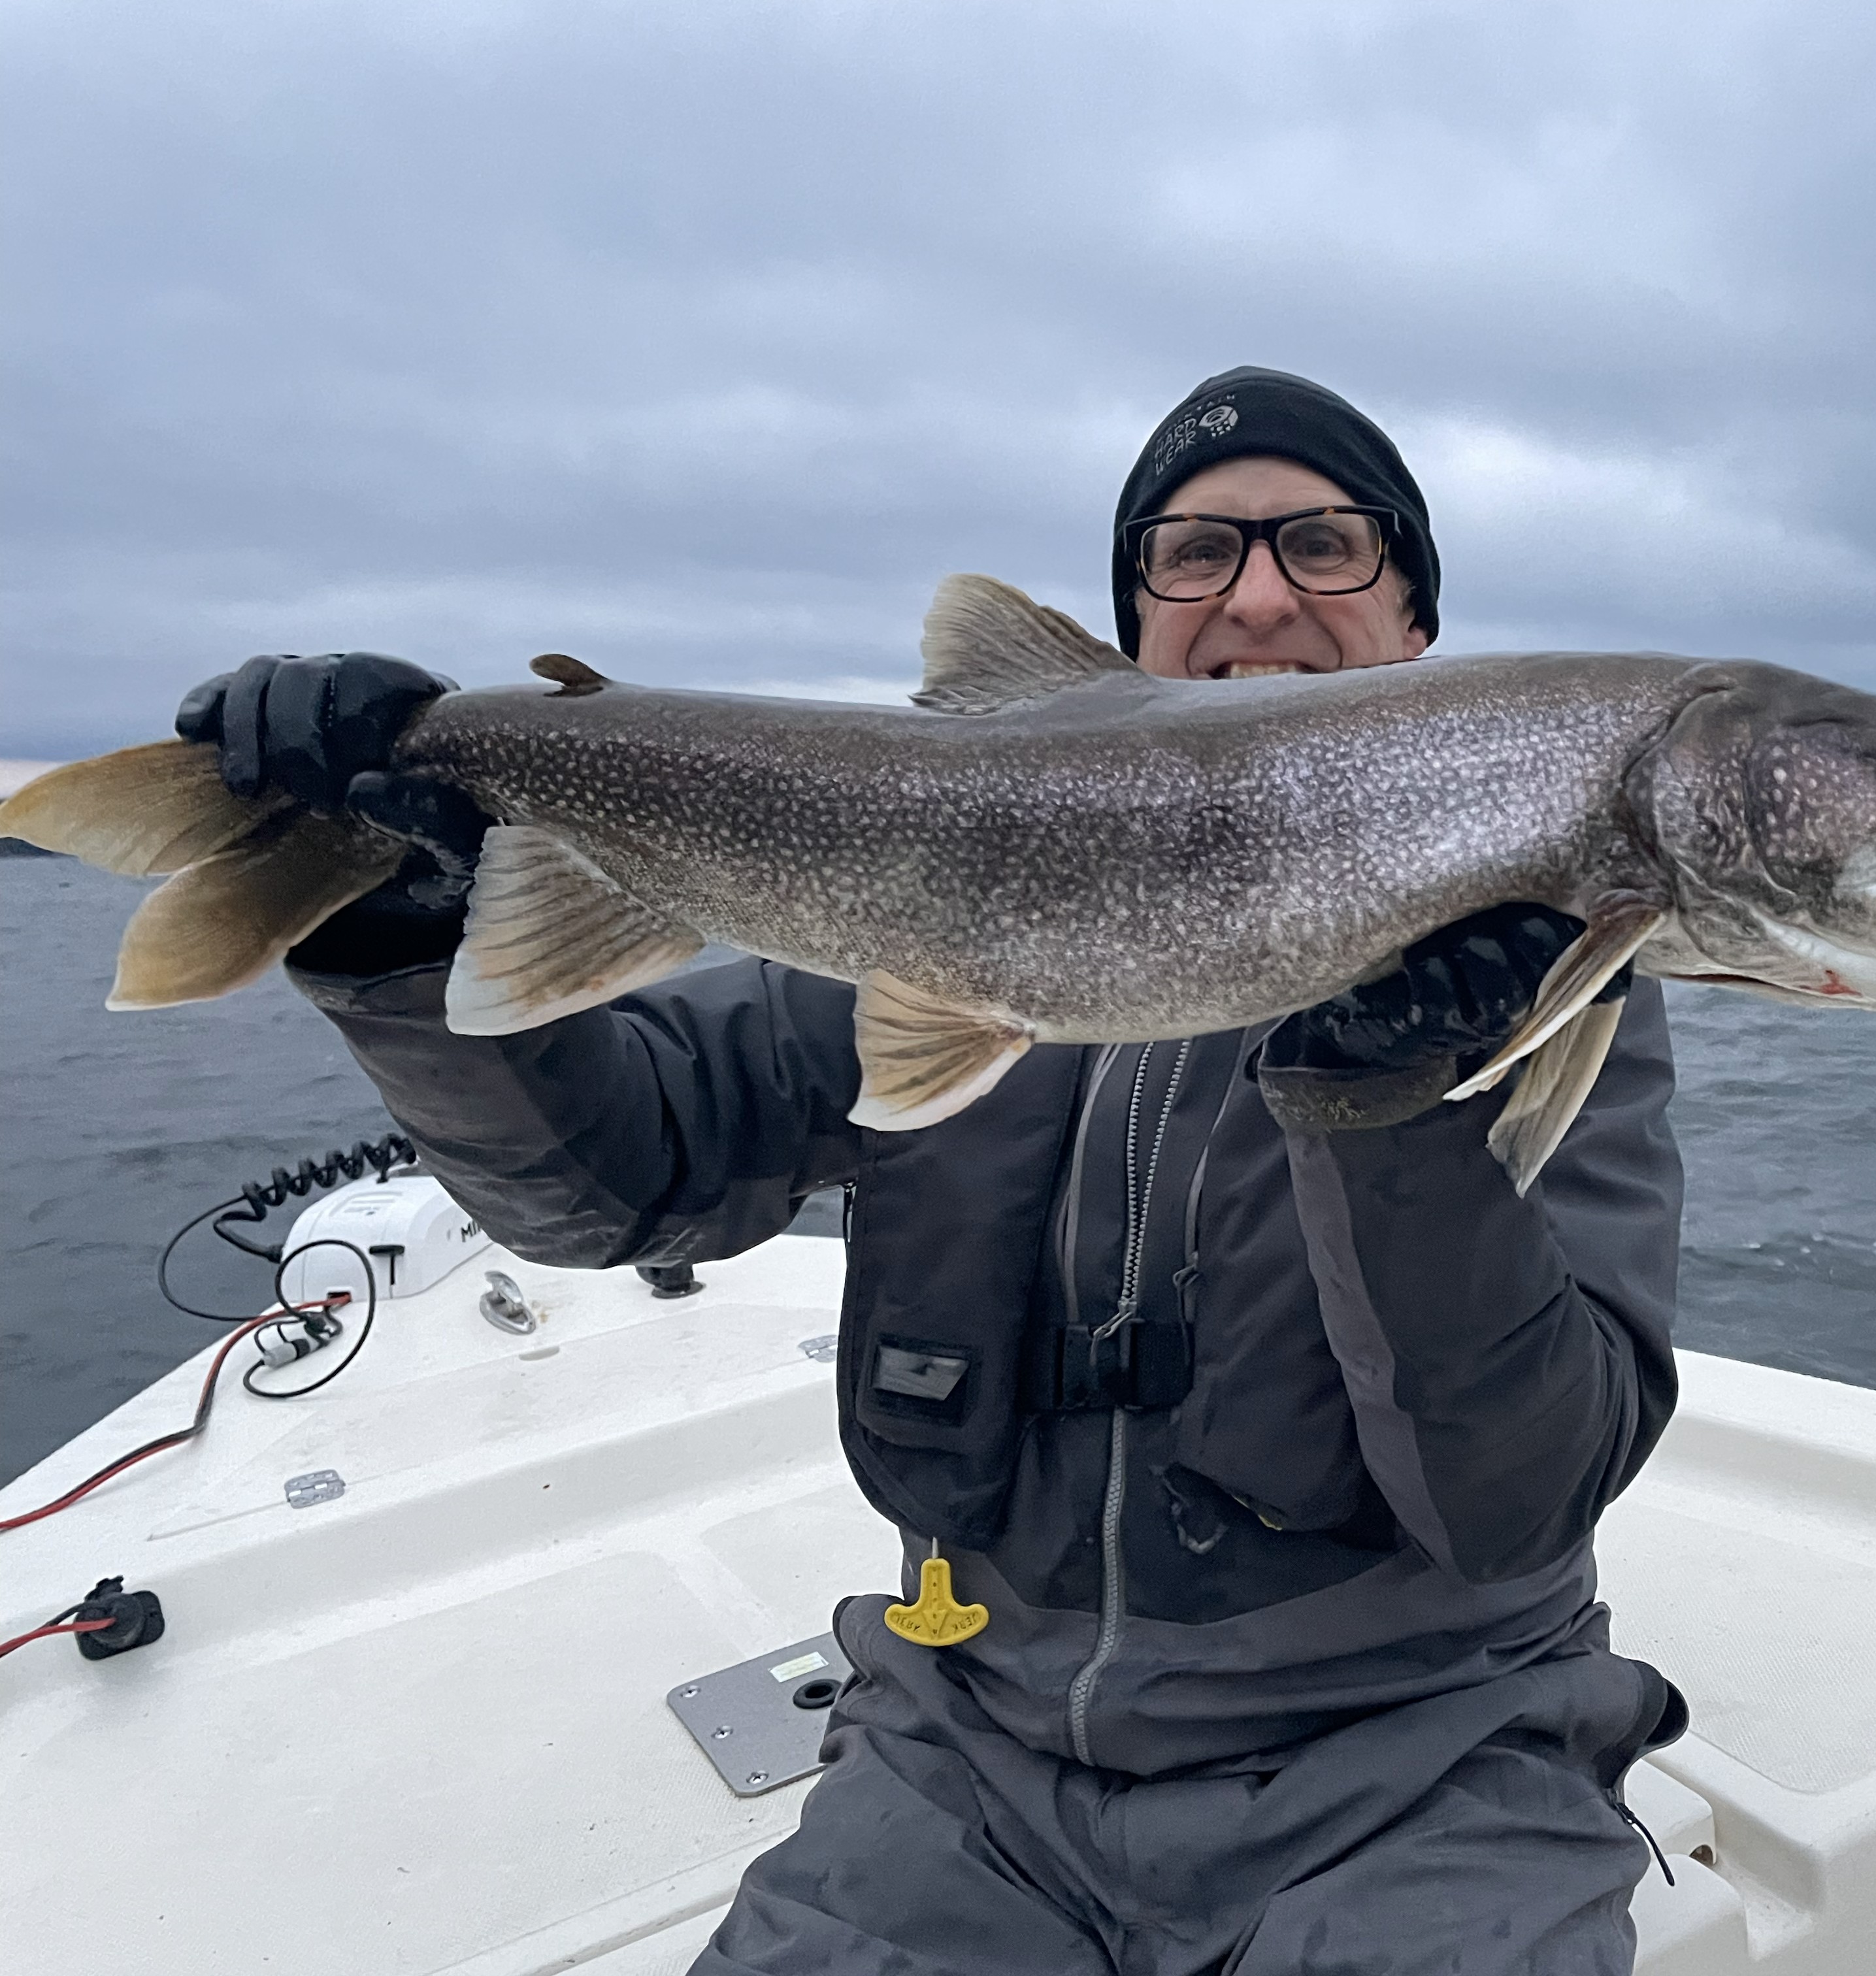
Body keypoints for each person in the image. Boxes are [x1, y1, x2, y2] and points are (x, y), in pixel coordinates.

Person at [184, 368, 1688, 1974]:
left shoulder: (1551, 1000)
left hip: (1423, 1762)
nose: (1257, 595)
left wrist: (1395, 1108)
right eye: (1194, 553)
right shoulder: (928, 914)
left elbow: (1516, 1502)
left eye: (1325, 544)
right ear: (1132, 633)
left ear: (1416, 630)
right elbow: (606, 1186)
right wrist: (400, 934)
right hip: (965, 1748)